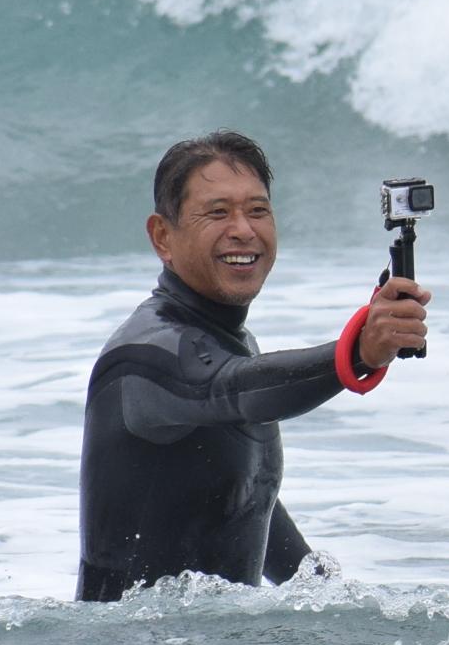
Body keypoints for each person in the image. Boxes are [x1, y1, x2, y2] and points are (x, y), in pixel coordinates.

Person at [77, 131, 429, 602]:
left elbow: (246, 495)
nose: (243, 229)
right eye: (218, 212)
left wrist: (330, 598)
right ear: (163, 236)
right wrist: (358, 351)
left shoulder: (229, 344)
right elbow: (234, 390)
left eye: (258, 210)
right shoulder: (147, 356)